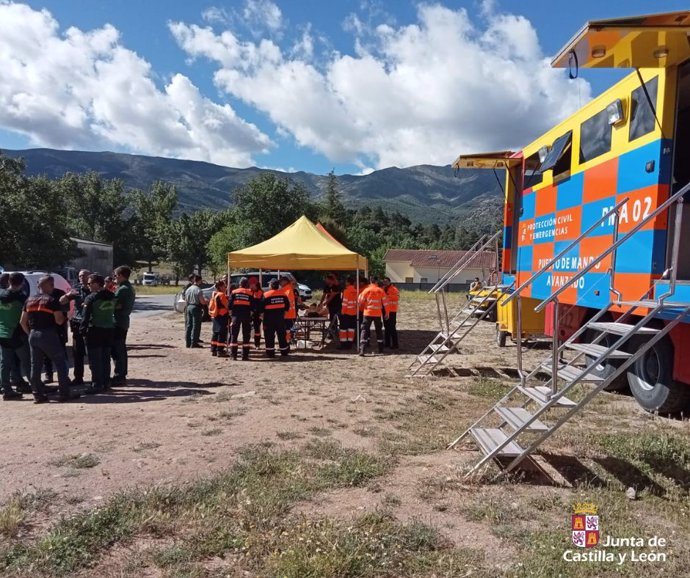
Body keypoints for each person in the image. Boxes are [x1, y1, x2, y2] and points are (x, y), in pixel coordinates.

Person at [19, 275, 78, 403]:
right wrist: (64, 315)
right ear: (50, 285)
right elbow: (59, 321)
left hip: (33, 335)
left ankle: (38, 395)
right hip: (49, 334)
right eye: (52, 285)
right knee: (60, 363)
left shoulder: (29, 300)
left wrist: (30, 334)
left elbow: (22, 322)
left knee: (35, 367)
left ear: (39, 286)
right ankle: (64, 393)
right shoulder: (51, 301)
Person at [80, 274, 116, 393]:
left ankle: (96, 385)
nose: (88, 286)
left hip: (95, 330)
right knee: (105, 358)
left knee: (95, 360)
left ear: (96, 284)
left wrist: (82, 331)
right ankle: (106, 383)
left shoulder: (91, 298)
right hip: (109, 330)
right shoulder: (111, 295)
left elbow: (85, 317)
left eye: (90, 283)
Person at [0, 272, 29, 400]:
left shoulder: (0, 295)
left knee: (5, 363)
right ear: (22, 283)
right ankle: (36, 386)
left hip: (2, 332)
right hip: (17, 334)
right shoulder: (21, 298)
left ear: (9, 282)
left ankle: (6, 389)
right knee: (27, 360)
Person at [60, 269, 90, 385]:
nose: (82, 278)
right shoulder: (76, 289)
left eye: (84, 275)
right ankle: (78, 377)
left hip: (91, 324)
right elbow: (62, 301)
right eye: (80, 276)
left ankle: (97, 378)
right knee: (77, 352)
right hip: (78, 323)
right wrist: (67, 296)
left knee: (92, 352)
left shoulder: (95, 289)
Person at [112, 265, 135, 385]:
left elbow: (115, 305)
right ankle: (120, 374)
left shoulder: (123, 289)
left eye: (115, 275)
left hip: (118, 321)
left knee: (118, 350)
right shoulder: (126, 287)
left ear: (120, 275)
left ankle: (120, 375)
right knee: (119, 349)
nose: (114, 278)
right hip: (122, 321)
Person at [357, 277, 387, 356]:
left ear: (370, 281)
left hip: (367, 313)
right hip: (377, 314)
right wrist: (387, 313)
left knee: (364, 330)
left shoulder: (366, 290)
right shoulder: (380, 290)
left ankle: (362, 350)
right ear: (376, 282)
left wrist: (361, 309)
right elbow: (385, 303)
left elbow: (360, 301)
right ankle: (380, 350)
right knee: (379, 331)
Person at [228, 277, 255, 360]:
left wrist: (231, 315)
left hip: (236, 316)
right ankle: (245, 356)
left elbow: (229, 306)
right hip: (246, 316)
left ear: (239, 284)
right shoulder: (250, 293)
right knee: (246, 336)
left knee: (234, 335)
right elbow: (252, 307)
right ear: (247, 284)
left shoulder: (234, 292)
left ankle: (233, 355)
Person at [262, 279, 289, 358]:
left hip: (268, 320)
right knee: (281, 335)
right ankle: (284, 352)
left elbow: (261, 308)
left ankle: (270, 353)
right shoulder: (283, 295)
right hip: (280, 319)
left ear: (271, 285)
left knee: (269, 336)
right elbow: (287, 307)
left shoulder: (266, 295)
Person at [184, 274, 207, 348]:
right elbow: (202, 301)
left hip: (189, 307)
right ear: (199, 280)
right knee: (196, 325)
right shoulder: (198, 290)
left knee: (189, 325)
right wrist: (207, 301)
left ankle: (188, 342)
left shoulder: (188, 289)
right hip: (196, 307)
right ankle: (194, 342)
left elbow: (186, 299)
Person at [208, 279, 229, 357]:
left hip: (215, 315)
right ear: (220, 287)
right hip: (222, 315)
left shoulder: (214, 294)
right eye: (224, 286)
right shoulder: (221, 295)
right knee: (222, 333)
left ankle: (213, 349)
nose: (225, 287)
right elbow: (227, 306)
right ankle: (220, 351)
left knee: (215, 333)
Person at [279, 275, 302, 344]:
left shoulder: (288, 287)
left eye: (281, 282)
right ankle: (287, 340)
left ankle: (287, 341)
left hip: (288, 314)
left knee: (287, 329)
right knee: (287, 329)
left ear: (285, 282)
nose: (280, 284)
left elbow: (294, 282)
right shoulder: (285, 288)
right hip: (288, 314)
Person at [338, 276, 358, 350]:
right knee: (351, 329)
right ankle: (349, 344)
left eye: (346, 282)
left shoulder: (346, 291)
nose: (345, 283)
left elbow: (345, 302)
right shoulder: (356, 291)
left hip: (346, 313)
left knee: (343, 329)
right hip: (354, 313)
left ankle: (343, 345)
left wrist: (342, 312)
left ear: (348, 282)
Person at [381, 277, 400, 350]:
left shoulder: (394, 289)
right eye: (384, 281)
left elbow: (397, 297)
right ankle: (387, 343)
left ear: (389, 282)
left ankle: (395, 344)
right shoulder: (383, 289)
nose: (385, 282)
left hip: (392, 311)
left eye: (386, 281)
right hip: (385, 310)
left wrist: (387, 296)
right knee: (386, 327)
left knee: (392, 327)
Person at [249, 277, 264, 349]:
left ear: (256, 284)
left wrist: (261, 314)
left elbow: (262, 305)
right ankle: (247, 343)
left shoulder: (261, 293)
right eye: (250, 285)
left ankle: (257, 344)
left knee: (257, 329)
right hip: (249, 313)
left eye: (252, 285)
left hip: (257, 314)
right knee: (247, 329)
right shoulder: (249, 291)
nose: (250, 286)